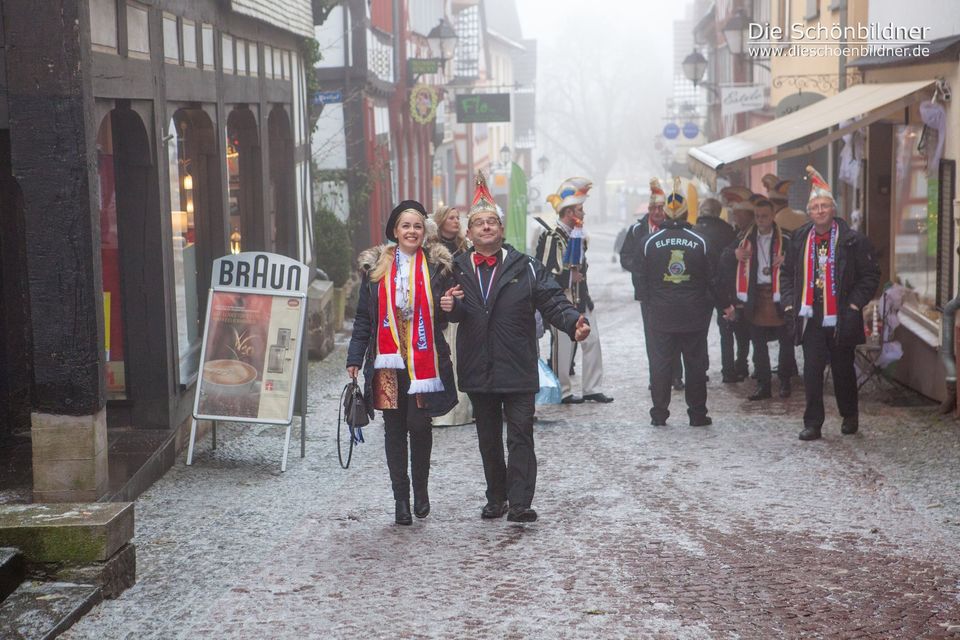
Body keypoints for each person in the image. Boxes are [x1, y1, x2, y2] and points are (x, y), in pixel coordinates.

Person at [441, 173, 590, 523]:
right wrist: (447, 306)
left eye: (492, 222)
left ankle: (520, 502)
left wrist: (573, 322)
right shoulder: (455, 269)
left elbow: (552, 299)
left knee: (521, 434)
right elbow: (445, 307)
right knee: (488, 437)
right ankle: (496, 498)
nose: (486, 227)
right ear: (469, 233)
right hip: (478, 364)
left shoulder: (526, 267)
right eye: (480, 223)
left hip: (518, 364)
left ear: (501, 229)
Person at [346, 200, 458, 525]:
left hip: (424, 361)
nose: (412, 231)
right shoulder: (375, 270)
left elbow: (451, 316)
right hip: (386, 363)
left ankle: (421, 489)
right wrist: (354, 357)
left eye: (417, 226)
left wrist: (452, 307)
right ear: (395, 231)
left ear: (425, 232)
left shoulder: (437, 268)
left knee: (420, 425)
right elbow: (363, 319)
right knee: (394, 429)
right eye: (406, 226)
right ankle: (401, 500)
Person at [780, 166, 880, 441]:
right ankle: (813, 423)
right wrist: (789, 304)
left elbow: (870, 275)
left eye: (824, 206)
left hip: (841, 315)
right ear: (809, 212)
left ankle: (849, 415)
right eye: (815, 207)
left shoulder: (852, 240)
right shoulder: (800, 238)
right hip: (810, 315)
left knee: (843, 370)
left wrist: (854, 305)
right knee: (811, 371)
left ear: (833, 209)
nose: (820, 210)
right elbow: (786, 274)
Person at [633, 177, 734, 427]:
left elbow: (639, 278)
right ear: (688, 212)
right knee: (695, 365)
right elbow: (714, 278)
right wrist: (723, 304)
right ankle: (697, 414)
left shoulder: (649, 242)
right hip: (694, 314)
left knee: (660, 364)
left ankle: (659, 414)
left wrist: (649, 302)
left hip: (660, 314)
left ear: (666, 212)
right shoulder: (701, 241)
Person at [535, 177, 613, 404]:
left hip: (582, 297)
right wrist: (569, 277)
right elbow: (545, 270)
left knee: (592, 341)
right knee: (563, 347)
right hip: (562, 298)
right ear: (569, 212)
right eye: (580, 209)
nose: (583, 213)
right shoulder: (551, 236)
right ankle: (563, 390)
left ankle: (592, 387)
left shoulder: (577, 234)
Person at [724, 197, 796, 400]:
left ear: (773, 216)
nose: (761, 220)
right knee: (758, 344)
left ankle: (785, 381)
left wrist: (787, 259)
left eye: (765, 216)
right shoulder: (745, 238)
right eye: (757, 216)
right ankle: (763, 385)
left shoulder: (786, 239)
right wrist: (734, 254)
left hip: (780, 296)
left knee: (786, 343)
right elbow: (724, 257)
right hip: (755, 297)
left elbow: (802, 261)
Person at [627, 178, 684, 390]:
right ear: (649, 209)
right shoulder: (637, 230)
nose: (658, 212)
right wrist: (641, 269)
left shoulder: (675, 229)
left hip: (674, 290)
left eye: (661, 208)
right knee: (653, 339)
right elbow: (626, 256)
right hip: (650, 294)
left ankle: (676, 376)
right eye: (654, 208)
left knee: (676, 334)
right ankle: (657, 378)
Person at [430, 206, 473, 427]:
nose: (456, 221)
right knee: (444, 360)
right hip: (442, 313)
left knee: (461, 361)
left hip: (461, 310)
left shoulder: (464, 247)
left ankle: (462, 412)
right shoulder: (433, 250)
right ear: (441, 221)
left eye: (458, 218)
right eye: (451, 218)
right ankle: (442, 412)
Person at [718, 186, 755, 383]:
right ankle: (741, 365)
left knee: (746, 333)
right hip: (738, 291)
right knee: (742, 332)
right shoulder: (741, 233)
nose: (735, 217)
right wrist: (733, 254)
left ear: (748, 214)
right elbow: (726, 254)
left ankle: (743, 365)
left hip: (749, 291)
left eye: (738, 214)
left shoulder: (751, 234)